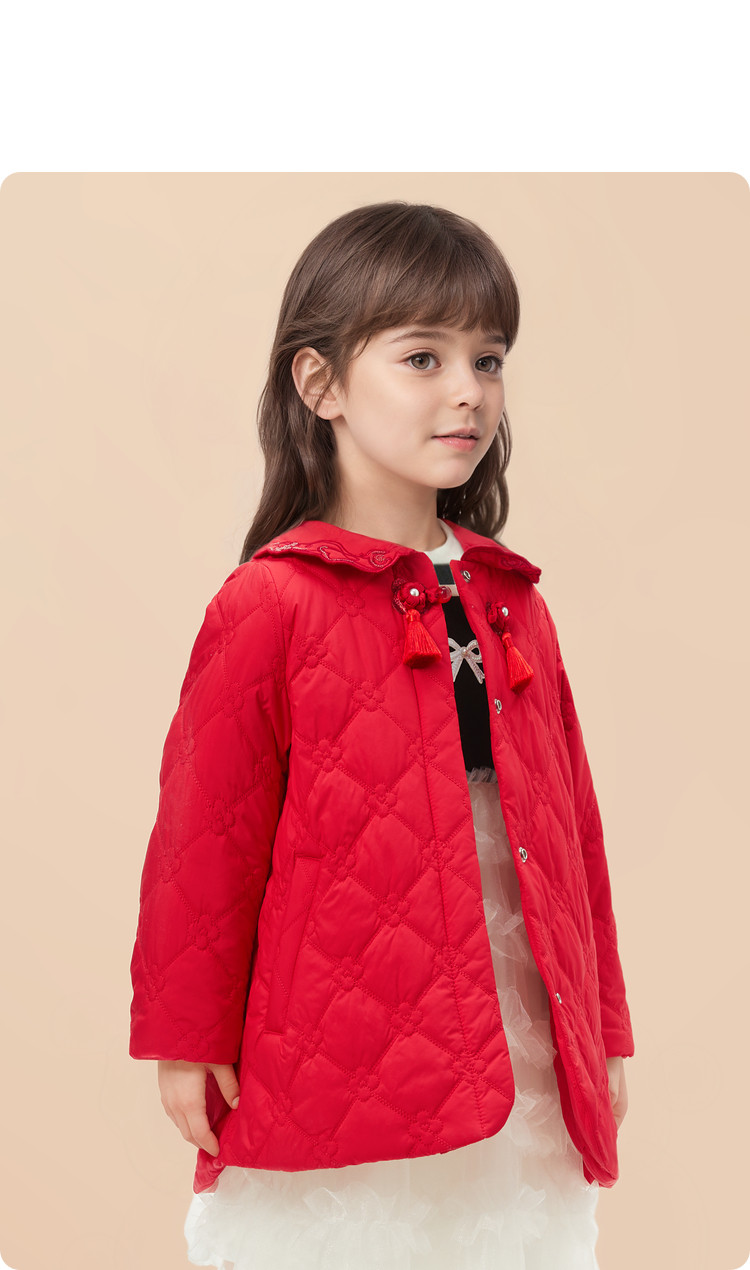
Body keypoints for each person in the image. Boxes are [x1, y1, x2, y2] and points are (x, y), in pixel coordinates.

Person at [129, 200, 634, 1270]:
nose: (468, 390)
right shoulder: (272, 602)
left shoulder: (513, 601)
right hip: (340, 1034)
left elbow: (574, 838)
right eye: (422, 358)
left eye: (488, 359)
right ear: (320, 384)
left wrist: (605, 1032)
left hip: (519, 1034)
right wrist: (184, 1036)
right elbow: (204, 840)